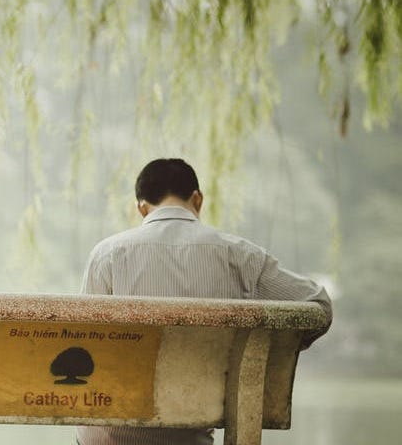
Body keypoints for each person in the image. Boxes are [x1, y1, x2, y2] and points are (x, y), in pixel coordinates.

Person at [76, 158, 333, 445]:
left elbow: (88, 343)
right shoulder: (240, 256)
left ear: (142, 207)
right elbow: (319, 305)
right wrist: (272, 350)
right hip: (190, 438)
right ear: (197, 200)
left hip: (111, 438)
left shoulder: (107, 255)